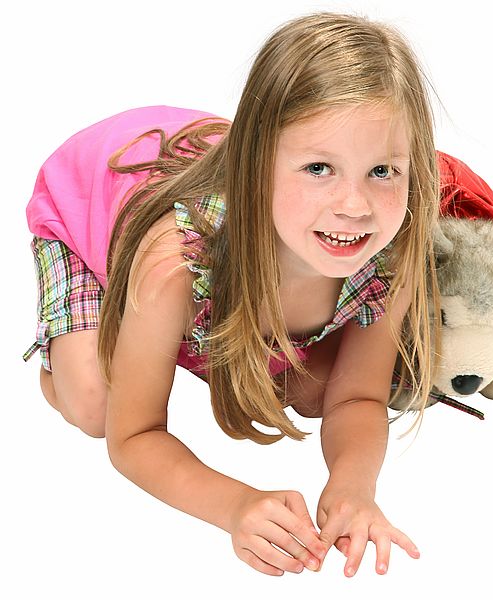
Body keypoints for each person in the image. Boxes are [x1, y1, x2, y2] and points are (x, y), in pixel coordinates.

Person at [22, 13, 440, 578]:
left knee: (316, 389)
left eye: (382, 171)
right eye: (319, 168)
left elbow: (357, 399)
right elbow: (133, 435)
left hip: (234, 235)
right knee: (97, 403)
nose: (355, 206)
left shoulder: (393, 251)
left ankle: (191, 337)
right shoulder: (174, 258)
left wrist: (352, 490)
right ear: (258, 162)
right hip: (91, 195)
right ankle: (106, 341)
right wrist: (237, 505)